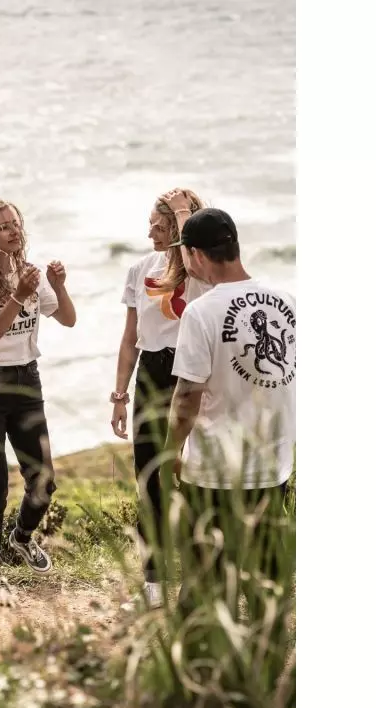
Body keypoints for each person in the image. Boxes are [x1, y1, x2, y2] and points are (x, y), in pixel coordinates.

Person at [163, 208, 296, 618]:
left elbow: (187, 397)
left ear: (196, 255)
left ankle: (204, 657)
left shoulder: (201, 312)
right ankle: (266, 655)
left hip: (215, 473)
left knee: (205, 591)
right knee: (266, 590)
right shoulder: (288, 301)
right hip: (273, 467)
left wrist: (169, 454)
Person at [0, 199, 77, 605]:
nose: (13, 231)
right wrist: (18, 296)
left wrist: (58, 285)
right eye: (3, 226)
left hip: (27, 382)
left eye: (15, 223)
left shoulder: (30, 274)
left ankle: (21, 537)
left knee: (44, 481)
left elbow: (68, 319)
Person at [110, 188, 207, 609]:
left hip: (194, 373)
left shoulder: (201, 268)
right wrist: (119, 395)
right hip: (151, 373)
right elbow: (130, 338)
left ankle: (203, 577)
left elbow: (195, 264)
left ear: (178, 227)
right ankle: (153, 586)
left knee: (198, 477)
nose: (149, 231)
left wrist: (185, 212)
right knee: (150, 478)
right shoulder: (140, 269)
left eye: (158, 224)